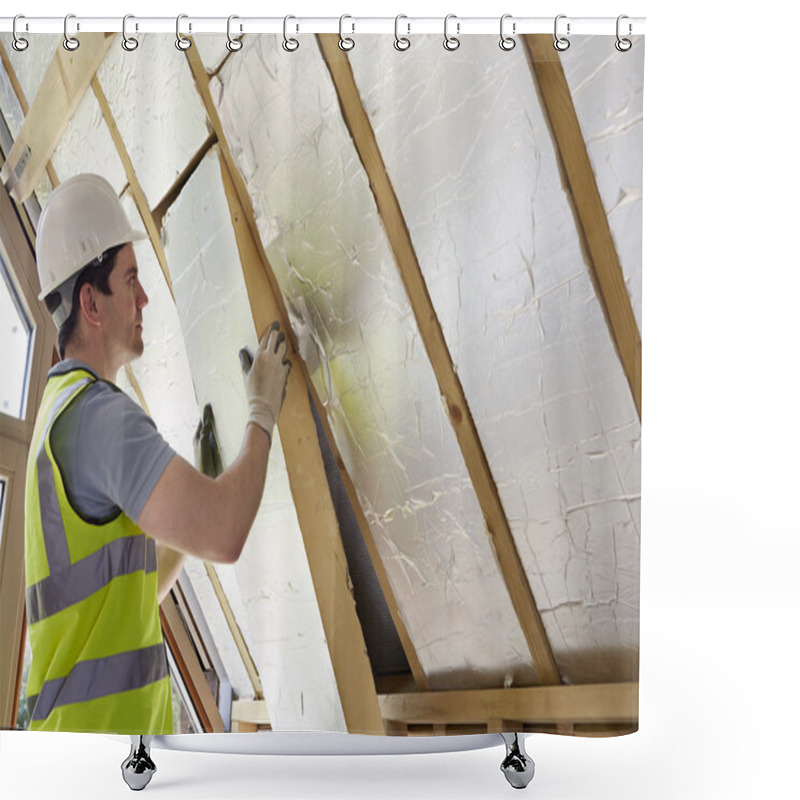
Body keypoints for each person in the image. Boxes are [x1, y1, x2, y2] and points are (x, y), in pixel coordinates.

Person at [23, 173, 291, 734]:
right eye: (131, 279)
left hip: (79, 758)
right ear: (92, 304)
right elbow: (227, 533)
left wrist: (196, 501)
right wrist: (262, 412)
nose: (144, 297)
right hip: (96, 761)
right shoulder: (99, 418)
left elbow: (133, 593)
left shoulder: (60, 411)